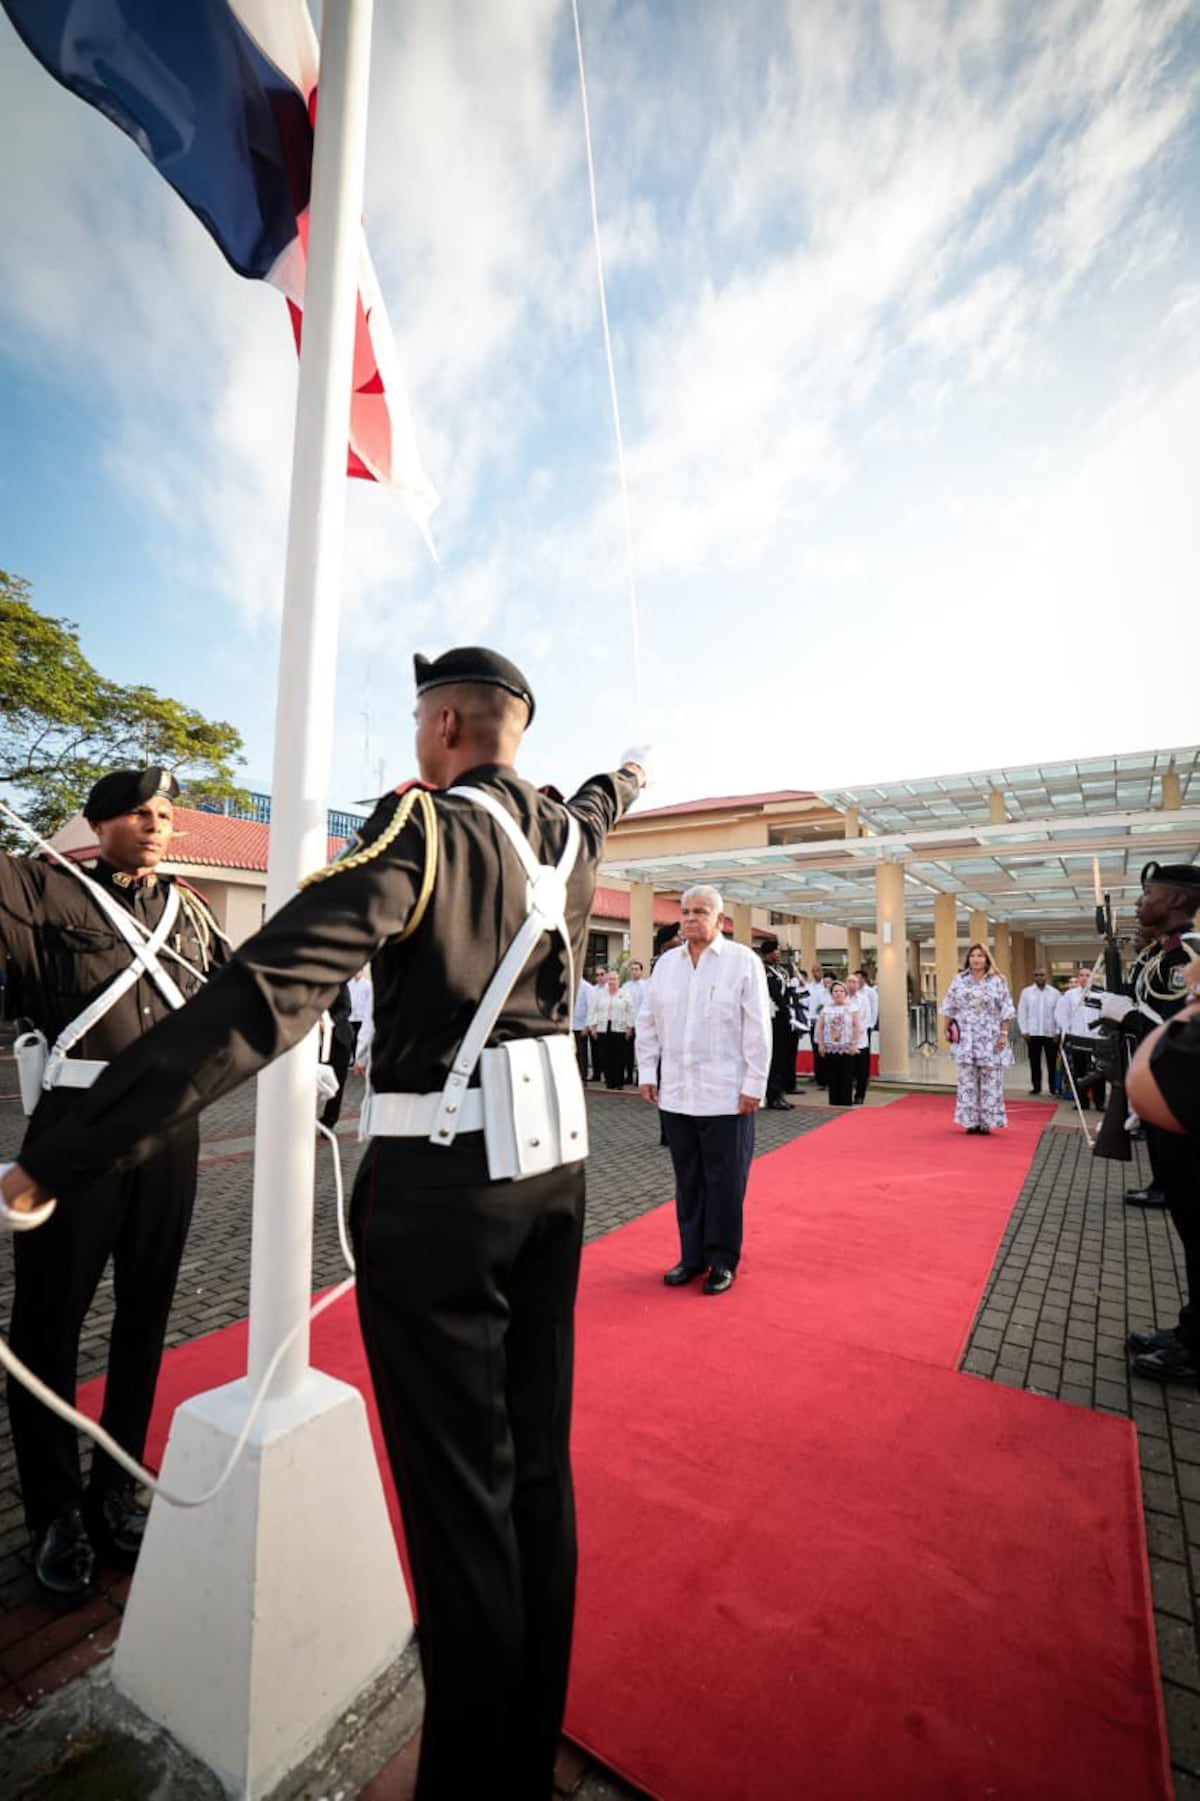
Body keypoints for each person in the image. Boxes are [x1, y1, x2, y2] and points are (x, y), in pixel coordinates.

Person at [0, 647, 648, 1800]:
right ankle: (521, 1761)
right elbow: (600, 797)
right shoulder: (570, 834)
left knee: (461, 1516)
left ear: (443, 724)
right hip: (558, 1186)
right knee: (538, 1481)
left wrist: (62, 1149)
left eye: (420, 722)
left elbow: (263, 997)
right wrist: (628, 777)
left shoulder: (423, 834)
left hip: (444, 1198)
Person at [0, 767, 226, 1609]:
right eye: (138, 811)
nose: (157, 823)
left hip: (170, 1134)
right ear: (98, 823)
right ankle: (56, 1510)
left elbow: (239, 991)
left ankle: (116, 1486)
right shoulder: (40, 889)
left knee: (145, 1317)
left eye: (166, 812)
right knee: (47, 1327)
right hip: (71, 1134)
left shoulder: (193, 910)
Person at [635, 886, 771, 1296]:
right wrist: (647, 1072)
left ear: (719, 918)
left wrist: (754, 1086)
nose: (691, 918)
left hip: (727, 1096)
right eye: (686, 912)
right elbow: (648, 1021)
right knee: (688, 1181)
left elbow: (758, 1029)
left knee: (725, 1183)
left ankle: (722, 1261)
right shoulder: (666, 966)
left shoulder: (742, 962)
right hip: (678, 1093)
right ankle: (691, 1257)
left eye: (701, 911)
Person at [1097, 863, 1200, 1384]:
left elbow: (1184, 1026)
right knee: (1187, 1224)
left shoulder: (1190, 954)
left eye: (1149, 894)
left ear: (1178, 901)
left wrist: (1130, 1017)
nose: (1141, 903)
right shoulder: (1165, 953)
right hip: (1167, 1099)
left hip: (1187, 1101)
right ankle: (1190, 1331)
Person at [941, 944, 1015, 1134]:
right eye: (973, 955)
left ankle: (987, 1122)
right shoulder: (960, 979)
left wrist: (1004, 1033)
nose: (976, 959)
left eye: (980, 955)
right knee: (967, 1079)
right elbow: (949, 1006)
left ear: (987, 958)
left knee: (990, 1080)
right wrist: (946, 1029)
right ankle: (970, 1121)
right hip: (966, 1036)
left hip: (990, 1035)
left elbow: (1005, 1009)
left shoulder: (998, 981)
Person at [1055, 970, 1106, 1112]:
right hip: (1077, 1038)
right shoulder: (1070, 995)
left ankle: (1099, 1101)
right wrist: (1067, 1030)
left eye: (1087, 975)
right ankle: (1082, 1101)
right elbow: (1061, 1013)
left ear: (1092, 977)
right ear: (1078, 978)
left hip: (1095, 1039)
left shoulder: (1100, 994)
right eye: (1081, 975)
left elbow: (1105, 1014)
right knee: (1079, 1071)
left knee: (1098, 1071)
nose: (1084, 977)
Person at [758, 936, 796, 1109]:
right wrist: (786, 1009)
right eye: (775, 951)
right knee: (774, 1057)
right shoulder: (763, 970)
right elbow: (775, 994)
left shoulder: (779, 970)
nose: (778, 953)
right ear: (767, 954)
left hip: (782, 1016)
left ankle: (779, 1093)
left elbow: (786, 991)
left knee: (782, 1056)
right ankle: (772, 1095)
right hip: (772, 1016)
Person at [816, 980, 862, 1106]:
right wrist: (820, 1043)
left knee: (846, 1076)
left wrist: (854, 1043)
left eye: (841, 991)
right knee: (832, 1075)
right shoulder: (826, 1009)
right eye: (835, 991)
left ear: (845, 993)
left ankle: (846, 1101)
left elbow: (858, 1027)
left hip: (847, 1047)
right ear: (831, 993)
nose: (838, 993)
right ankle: (834, 1101)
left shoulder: (852, 1008)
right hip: (831, 1046)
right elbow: (819, 1027)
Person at [1017, 966, 1061, 1096]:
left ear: (1046, 976)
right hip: (1033, 1033)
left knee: (1052, 1062)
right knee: (1034, 1061)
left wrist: (1057, 1031)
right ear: (1033, 977)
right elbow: (1022, 1012)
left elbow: (1059, 1014)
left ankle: (1053, 1088)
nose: (1039, 977)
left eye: (1041, 975)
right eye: (1036, 975)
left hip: (1050, 1034)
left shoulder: (1055, 993)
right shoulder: (1026, 992)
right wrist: (1024, 1030)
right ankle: (1036, 1087)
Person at [589, 971, 635, 1089]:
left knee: (619, 1056)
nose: (612, 982)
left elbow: (630, 1011)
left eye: (614, 979)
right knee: (605, 1055)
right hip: (603, 1027)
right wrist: (592, 1026)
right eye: (610, 979)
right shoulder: (600, 994)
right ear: (607, 981)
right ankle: (609, 1082)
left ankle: (619, 1082)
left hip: (619, 1027)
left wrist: (629, 1027)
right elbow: (593, 1010)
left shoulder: (625, 994)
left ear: (619, 981)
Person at [846, 972, 875, 1104]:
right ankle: (846, 1094)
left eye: (854, 982)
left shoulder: (863, 999)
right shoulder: (842, 998)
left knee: (861, 1071)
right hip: (845, 1040)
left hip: (861, 1040)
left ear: (858, 985)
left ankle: (859, 1095)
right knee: (847, 1069)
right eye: (849, 982)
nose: (851, 984)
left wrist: (857, 1031)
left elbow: (867, 1019)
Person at [621, 959, 649, 1085]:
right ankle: (628, 1076)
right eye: (632, 969)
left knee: (641, 1051)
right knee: (627, 1051)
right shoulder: (625, 987)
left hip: (642, 1023)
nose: (634, 972)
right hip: (628, 1024)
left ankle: (640, 1078)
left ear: (641, 971)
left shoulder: (647, 986)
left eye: (636, 969)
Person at [805, 963, 829, 1086]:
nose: (816, 973)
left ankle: (827, 1075)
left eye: (818, 970)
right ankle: (818, 1074)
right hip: (813, 1022)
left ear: (822, 971)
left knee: (827, 1048)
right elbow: (808, 1004)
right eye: (814, 971)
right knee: (816, 1048)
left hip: (826, 1022)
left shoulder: (826, 986)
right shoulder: (809, 986)